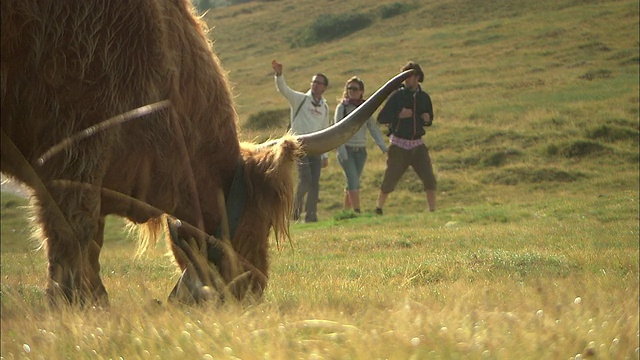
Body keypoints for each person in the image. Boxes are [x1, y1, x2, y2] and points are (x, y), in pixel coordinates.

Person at [272, 60, 330, 223]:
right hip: (300, 146)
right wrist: (279, 75)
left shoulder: (325, 107)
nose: (315, 85)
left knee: (315, 183)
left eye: (319, 83)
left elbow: (326, 129)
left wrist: (325, 155)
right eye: (314, 82)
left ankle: (311, 216)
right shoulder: (301, 99)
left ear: (324, 87)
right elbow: (285, 90)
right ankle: (295, 211)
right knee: (306, 179)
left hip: (317, 147)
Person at [375, 62, 437, 215]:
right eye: (404, 77)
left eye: (409, 76)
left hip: (417, 144)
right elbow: (381, 118)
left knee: (429, 178)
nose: (406, 80)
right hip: (399, 144)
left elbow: (429, 120)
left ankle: (433, 210)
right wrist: (398, 115)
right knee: (390, 178)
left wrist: (427, 119)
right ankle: (378, 209)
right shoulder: (397, 96)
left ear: (417, 77)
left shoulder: (424, 97)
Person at [334, 76, 387, 214]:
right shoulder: (342, 107)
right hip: (347, 150)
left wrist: (383, 147)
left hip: (361, 151)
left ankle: (346, 212)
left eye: (355, 89)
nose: (351, 91)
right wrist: (341, 150)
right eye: (349, 88)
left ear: (361, 91)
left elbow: (373, 128)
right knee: (353, 181)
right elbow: (336, 130)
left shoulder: (365, 108)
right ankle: (357, 211)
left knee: (353, 182)